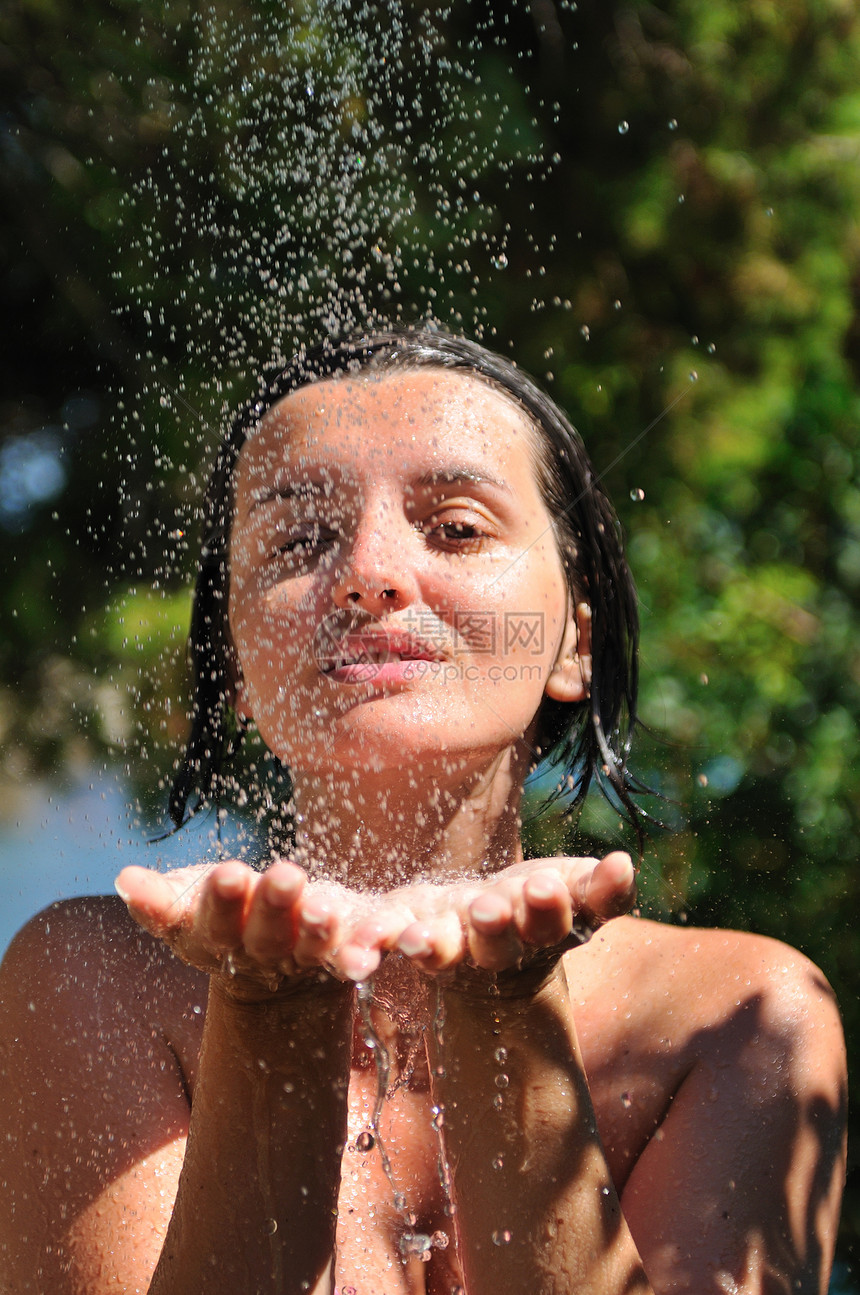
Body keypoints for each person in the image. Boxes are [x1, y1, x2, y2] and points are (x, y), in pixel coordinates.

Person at [0, 330, 846, 1295]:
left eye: (455, 528)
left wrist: (510, 1013)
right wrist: (267, 1019)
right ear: (235, 664)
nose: (368, 573)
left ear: (572, 641)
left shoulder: (740, 1017)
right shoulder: (86, 981)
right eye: (303, 539)